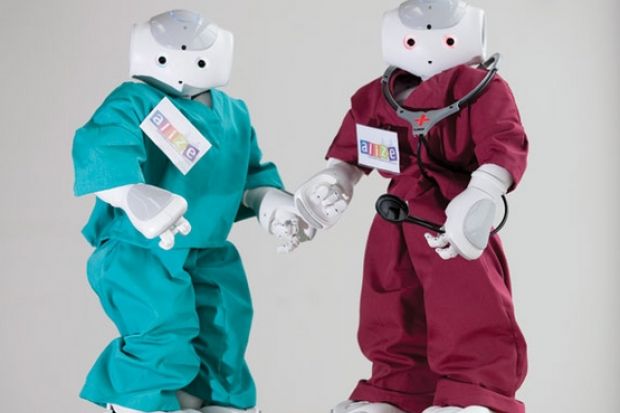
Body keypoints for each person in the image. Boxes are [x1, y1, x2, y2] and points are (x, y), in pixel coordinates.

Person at [73, 10, 313, 413]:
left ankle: (215, 400)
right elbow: (101, 147)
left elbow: (247, 173)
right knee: (161, 327)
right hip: (143, 247)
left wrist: (270, 203)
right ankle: (138, 402)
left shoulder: (234, 113)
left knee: (225, 326)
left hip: (209, 248)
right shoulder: (133, 102)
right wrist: (131, 193)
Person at [295, 1, 528, 412]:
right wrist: (336, 179)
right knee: (390, 298)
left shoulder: (482, 90)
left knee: (467, 299)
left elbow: (503, 143)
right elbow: (351, 153)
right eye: (412, 41)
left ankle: (476, 393)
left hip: (452, 213)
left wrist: (483, 190)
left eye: (448, 40)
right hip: (395, 215)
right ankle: (397, 391)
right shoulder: (378, 97)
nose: (430, 48)